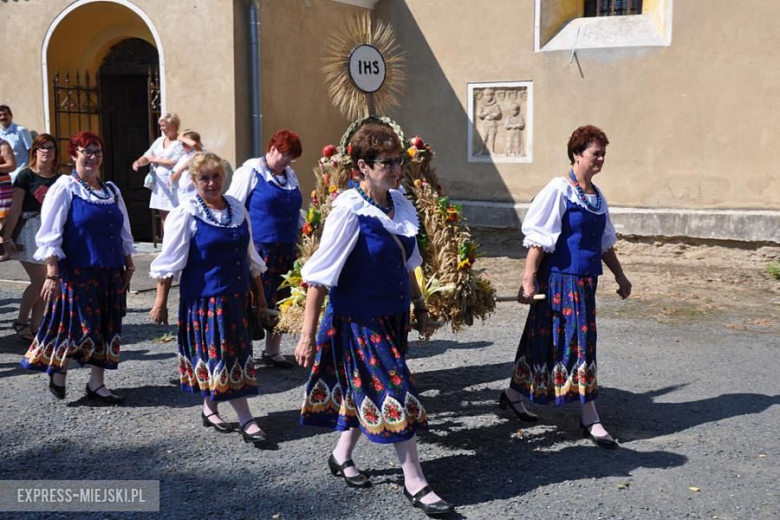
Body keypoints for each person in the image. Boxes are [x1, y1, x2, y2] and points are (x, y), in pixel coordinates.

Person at [294, 124, 454, 517]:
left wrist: (419, 305)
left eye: (399, 161)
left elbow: (407, 262)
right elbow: (319, 276)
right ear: (362, 167)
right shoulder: (349, 210)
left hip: (393, 317)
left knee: (363, 390)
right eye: (388, 163)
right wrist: (305, 336)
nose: (397, 169)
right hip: (359, 321)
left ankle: (341, 455)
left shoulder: (399, 203)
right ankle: (414, 479)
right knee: (395, 389)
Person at [500, 125, 632, 448]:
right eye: (595, 153)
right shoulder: (559, 190)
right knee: (579, 342)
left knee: (542, 342)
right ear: (576, 154)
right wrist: (528, 279)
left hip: (585, 284)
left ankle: (512, 394)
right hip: (559, 282)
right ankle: (590, 416)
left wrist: (620, 276)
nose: (600, 159)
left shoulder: (596, 198)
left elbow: (604, 243)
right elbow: (539, 239)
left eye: (603, 154)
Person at [150, 152, 270, 445]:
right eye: (204, 178)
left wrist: (262, 299)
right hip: (205, 303)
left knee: (231, 356)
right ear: (194, 181)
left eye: (216, 176)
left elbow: (251, 258)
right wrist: (160, 301)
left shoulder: (238, 209)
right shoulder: (186, 213)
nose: (212, 183)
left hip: (237, 299)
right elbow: (170, 262)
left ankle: (209, 407)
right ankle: (246, 418)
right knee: (222, 357)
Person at [20, 131, 135, 404]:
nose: (93, 157)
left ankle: (97, 383)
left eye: (97, 152)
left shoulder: (112, 191)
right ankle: (58, 368)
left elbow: (124, 232)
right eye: (87, 151)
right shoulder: (65, 187)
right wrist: (51, 274)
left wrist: (129, 264)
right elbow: (50, 234)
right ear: (74, 155)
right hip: (77, 272)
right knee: (78, 328)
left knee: (107, 327)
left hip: (110, 271)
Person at [226, 130, 303, 369]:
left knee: (282, 300)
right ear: (271, 149)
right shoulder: (250, 172)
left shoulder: (289, 175)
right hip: (259, 249)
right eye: (284, 155)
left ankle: (272, 351)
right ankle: (242, 353)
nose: (287, 161)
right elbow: (233, 206)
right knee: (253, 300)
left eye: (291, 157)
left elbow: (295, 212)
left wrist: (305, 234)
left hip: (287, 249)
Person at [2, 134, 61, 340]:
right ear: (34, 151)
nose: (46, 151)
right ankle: (21, 321)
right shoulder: (25, 176)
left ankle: (36, 328)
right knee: (40, 280)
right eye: (42, 148)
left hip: (51, 233)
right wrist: (7, 237)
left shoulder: (60, 178)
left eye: (50, 148)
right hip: (29, 230)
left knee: (49, 283)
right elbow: (16, 208)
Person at [131, 112, 185, 229]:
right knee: (164, 215)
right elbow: (148, 155)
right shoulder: (159, 141)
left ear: (174, 126)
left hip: (175, 184)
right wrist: (139, 162)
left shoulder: (181, 142)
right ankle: (167, 242)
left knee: (176, 215)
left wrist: (156, 159)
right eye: (160, 125)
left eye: (164, 125)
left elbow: (175, 161)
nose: (161, 128)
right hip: (160, 185)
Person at [169, 130, 204, 204]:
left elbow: (195, 145)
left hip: (194, 193)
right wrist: (182, 168)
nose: (183, 145)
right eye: (182, 143)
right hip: (182, 194)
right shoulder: (183, 158)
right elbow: (172, 177)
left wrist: (180, 137)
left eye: (185, 143)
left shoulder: (198, 155)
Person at [0, 105, 33, 181]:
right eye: (0, 115)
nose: (2, 117)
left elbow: (32, 151)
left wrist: (30, 170)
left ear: (11, 116)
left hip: (21, 175)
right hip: (5, 177)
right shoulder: (0, 134)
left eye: (5, 114)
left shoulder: (21, 131)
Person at [0, 138, 16, 259]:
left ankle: (4, 251)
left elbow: (11, 165)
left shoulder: (3, 145)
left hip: (2, 186)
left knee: (1, 218)